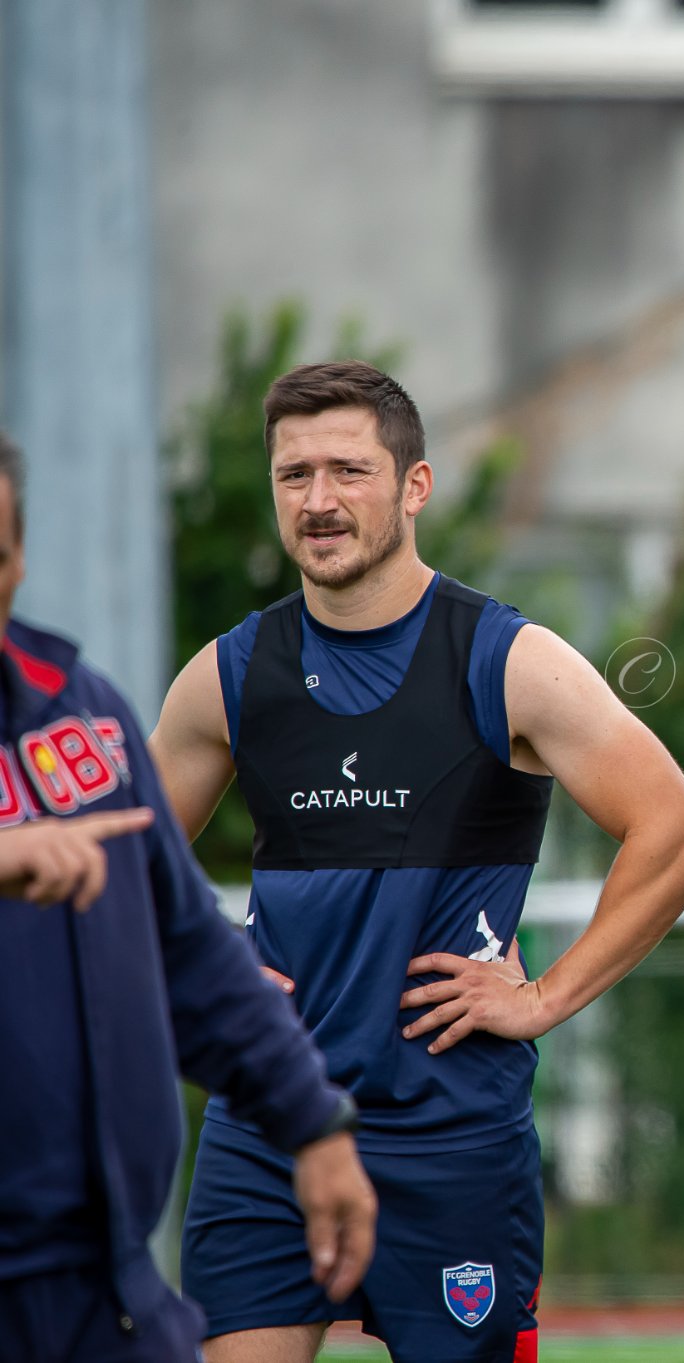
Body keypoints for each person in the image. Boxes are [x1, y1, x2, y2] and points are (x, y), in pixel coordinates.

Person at [150, 361, 684, 1363]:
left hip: (451, 1137)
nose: (318, 502)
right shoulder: (226, 678)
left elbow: (678, 834)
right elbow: (124, 868)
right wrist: (194, 973)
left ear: (414, 486)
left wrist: (544, 997)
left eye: (348, 471)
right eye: (293, 476)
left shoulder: (508, 662)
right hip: (269, 1129)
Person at [0, 431, 376, 1362]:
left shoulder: (82, 714)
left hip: (105, 1286)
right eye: (295, 472)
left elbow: (187, 950)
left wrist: (314, 1122)